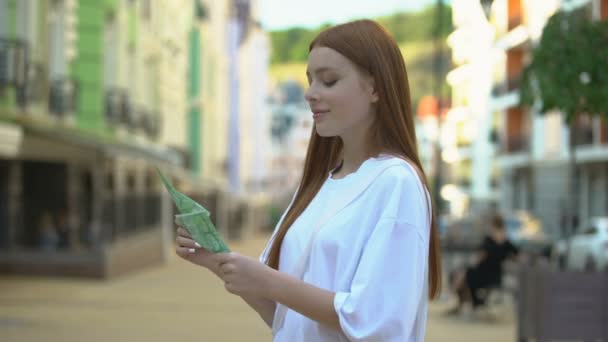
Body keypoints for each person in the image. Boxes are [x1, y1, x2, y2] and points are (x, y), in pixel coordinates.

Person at [175, 19, 441, 341]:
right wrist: (216, 259)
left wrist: (267, 280)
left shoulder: (396, 182)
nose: (310, 93)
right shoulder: (319, 185)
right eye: (310, 80)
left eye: (328, 81)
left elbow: (377, 323)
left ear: (375, 88)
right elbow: (283, 317)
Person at [446, 214, 519, 315]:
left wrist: (472, 263)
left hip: (483, 274)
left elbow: (480, 257)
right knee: (463, 274)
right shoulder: (506, 241)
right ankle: (469, 302)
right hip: (496, 275)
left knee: (462, 274)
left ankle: (459, 298)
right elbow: (516, 255)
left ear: (493, 225)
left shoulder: (489, 239)